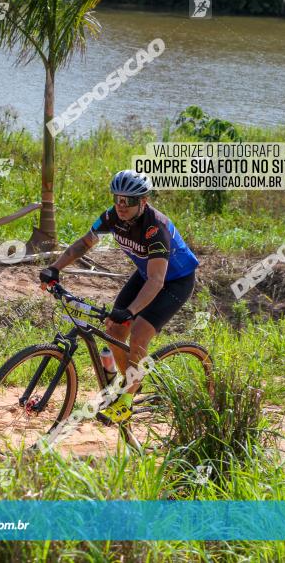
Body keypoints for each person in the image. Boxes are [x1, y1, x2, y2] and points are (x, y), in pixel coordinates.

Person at [39, 169, 199, 425]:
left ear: (143, 201)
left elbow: (158, 280)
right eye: (118, 199)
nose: (122, 206)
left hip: (175, 281)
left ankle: (126, 401)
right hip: (148, 274)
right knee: (114, 329)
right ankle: (131, 383)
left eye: (129, 201)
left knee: (138, 333)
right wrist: (55, 268)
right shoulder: (111, 217)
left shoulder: (155, 228)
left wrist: (132, 311)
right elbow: (83, 244)